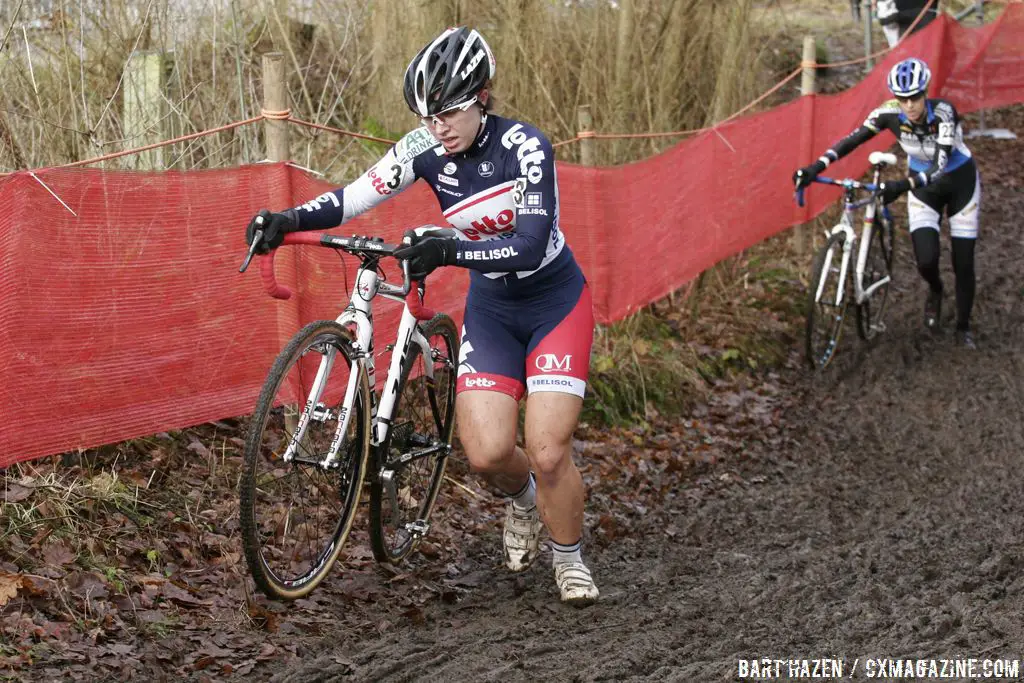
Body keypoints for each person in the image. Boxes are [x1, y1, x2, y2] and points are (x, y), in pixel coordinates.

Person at [244, 27, 600, 605]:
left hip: (554, 302)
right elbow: (354, 196)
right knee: (486, 455)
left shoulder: (526, 147)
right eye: (427, 116)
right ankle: (523, 500)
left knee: (548, 449)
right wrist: (286, 220)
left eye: (450, 114)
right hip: (493, 307)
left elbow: (531, 245)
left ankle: (568, 557)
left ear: (482, 96)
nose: (439, 128)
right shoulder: (424, 148)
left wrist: (449, 249)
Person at [793, 57, 980, 349]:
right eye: (903, 99)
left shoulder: (943, 113)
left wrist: (900, 186)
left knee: (963, 261)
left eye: (915, 97)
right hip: (922, 188)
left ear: (925, 92)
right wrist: (816, 167)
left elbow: (939, 166)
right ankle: (935, 289)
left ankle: (963, 327)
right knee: (926, 260)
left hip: (959, 183)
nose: (909, 105)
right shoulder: (888, 113)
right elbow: (851, 140)